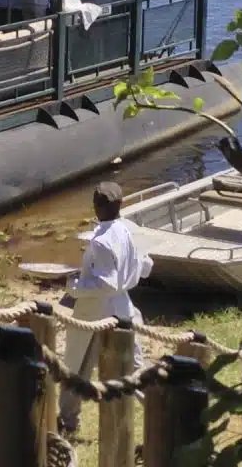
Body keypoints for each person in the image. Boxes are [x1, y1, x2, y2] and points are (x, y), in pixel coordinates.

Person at [57, 181, 153, 438]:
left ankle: (67, 420)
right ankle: (159, 410)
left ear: (96, 207)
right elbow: (146, 267)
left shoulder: (101, 241)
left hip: (95, 311)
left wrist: (74, 286)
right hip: (123, 306)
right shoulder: (128, 230)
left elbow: (105, 284)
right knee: (134, 367)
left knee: (77, 366)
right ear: (120, 204)